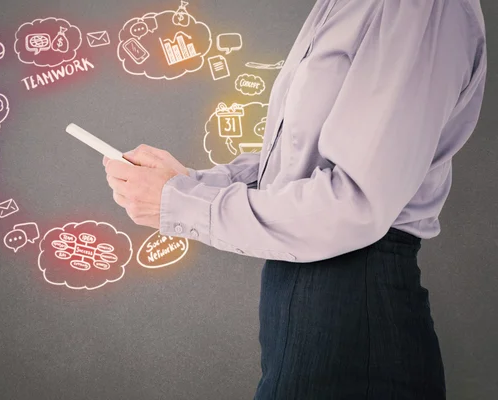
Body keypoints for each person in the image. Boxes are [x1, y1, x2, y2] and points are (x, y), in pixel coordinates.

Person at [102, 0, 487, 398]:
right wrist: (186, 184)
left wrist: (181, 204)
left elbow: (354, 204)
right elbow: (297, 161)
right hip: (306, 309)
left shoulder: (420, 7)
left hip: (355, 312)